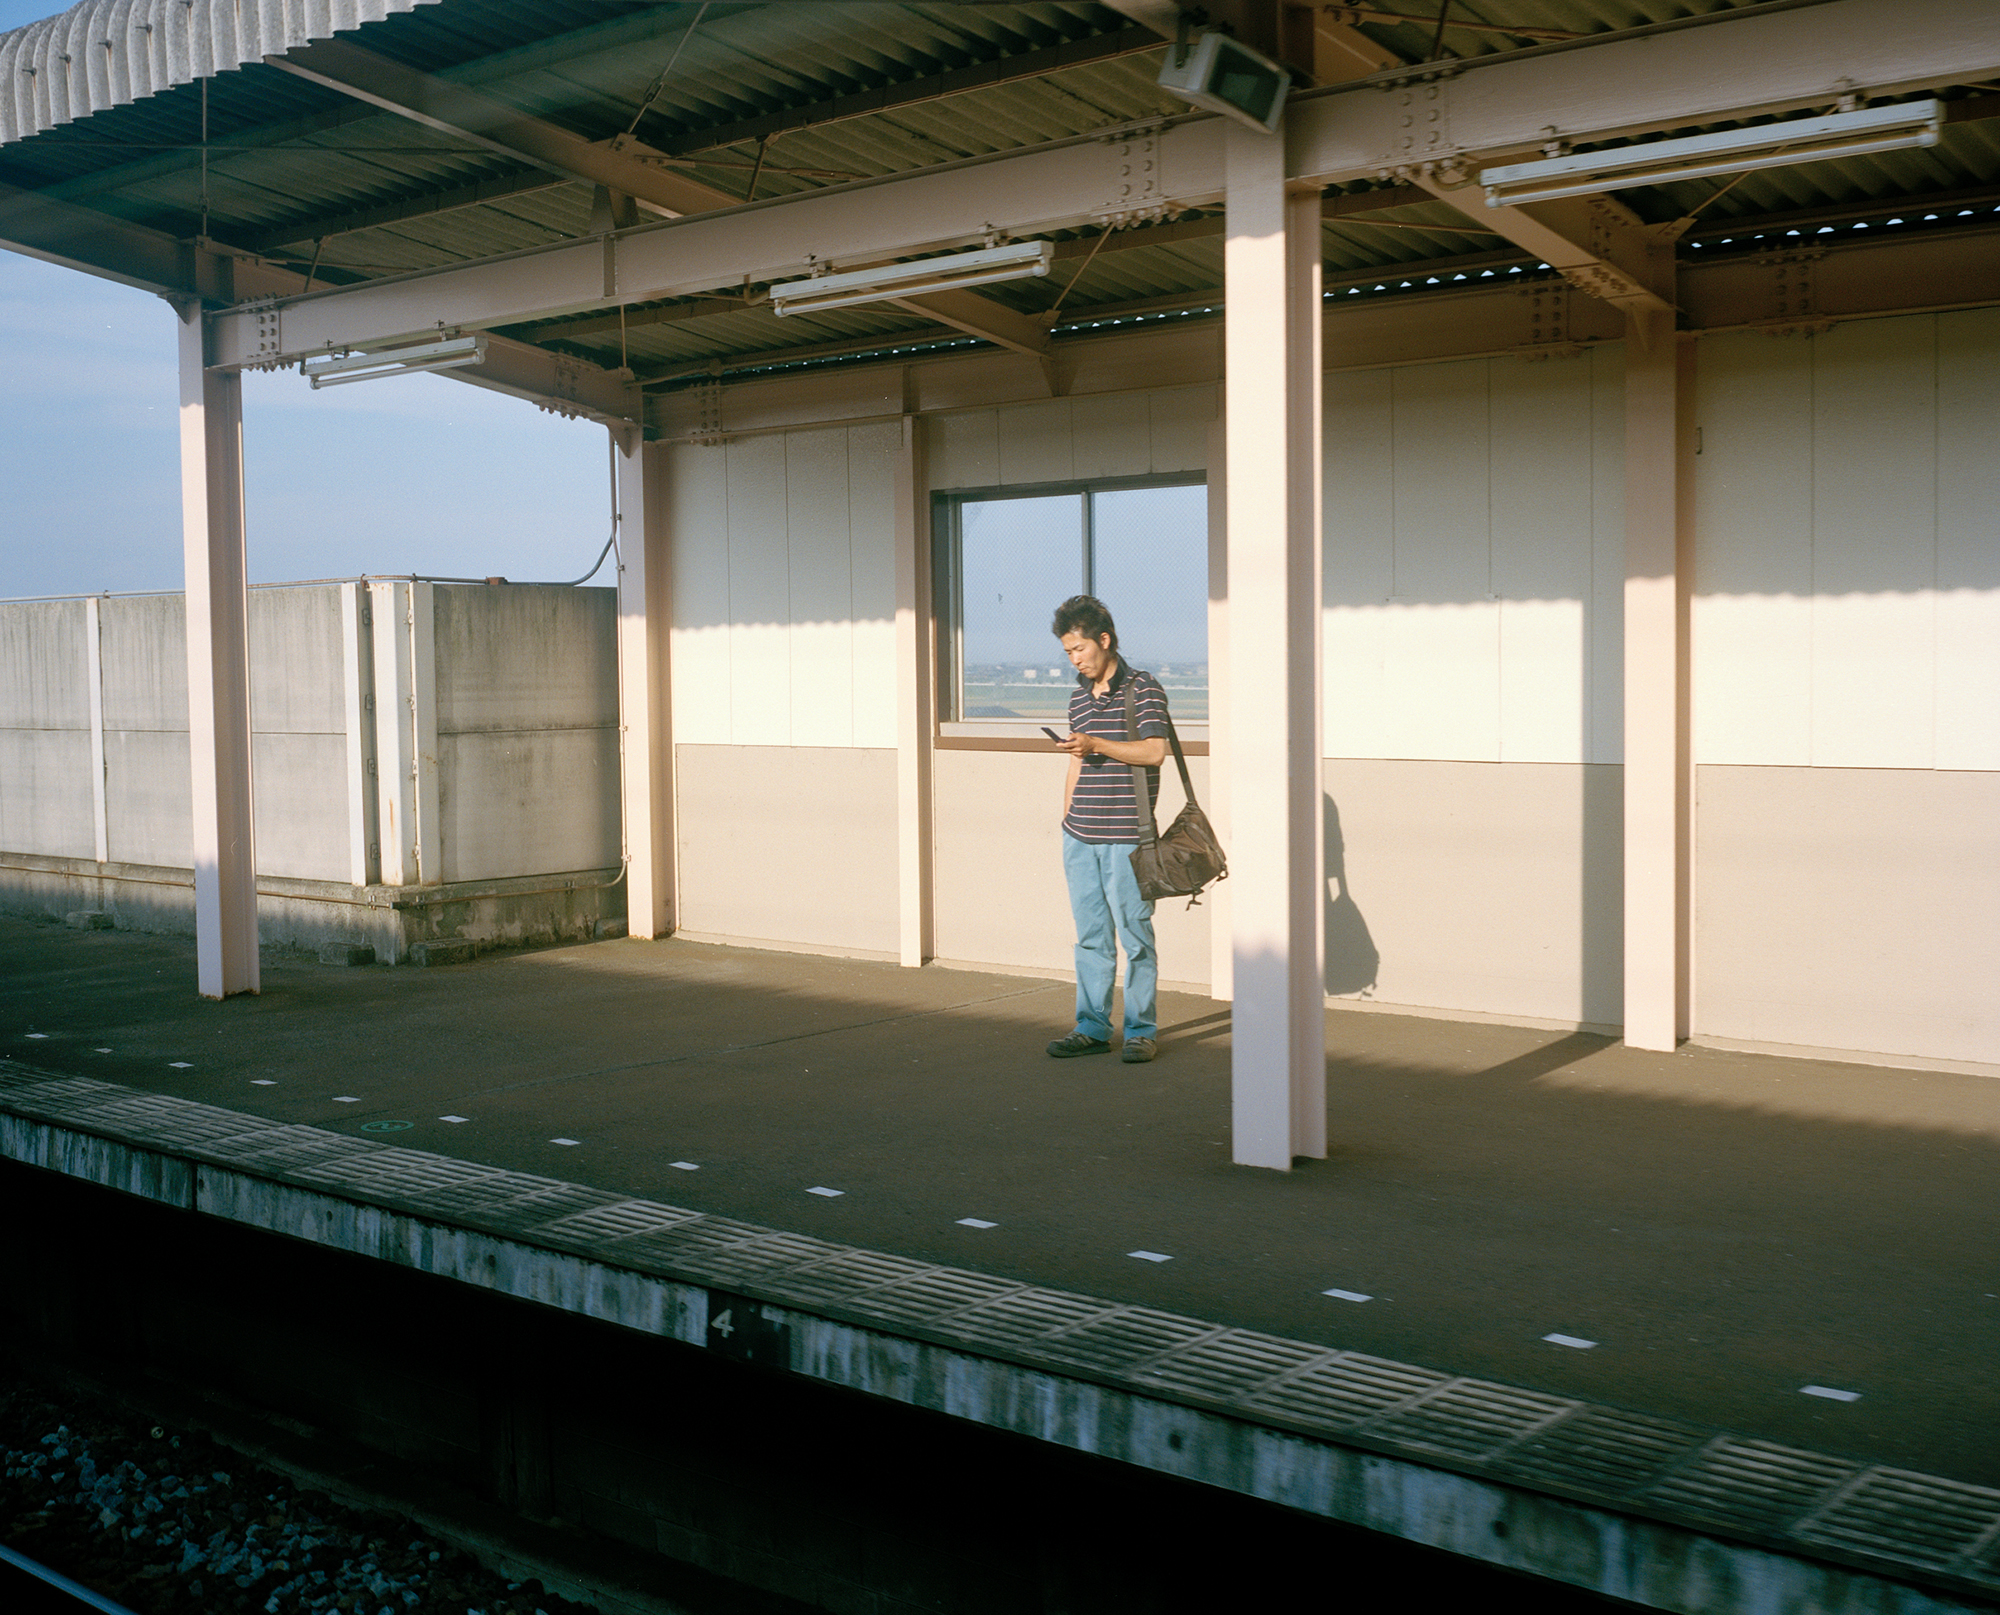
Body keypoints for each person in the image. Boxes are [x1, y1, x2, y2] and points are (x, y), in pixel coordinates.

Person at [1045, 595, 1170, 1064]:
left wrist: (1097, 742)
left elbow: (1154, 752)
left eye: (1079, 649)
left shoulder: (1143, 689)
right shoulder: (1079, 696)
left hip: (1128, 838)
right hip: (1080, 836)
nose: (1075, 659)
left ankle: (1141, 1031)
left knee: (1135, 937)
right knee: (1091, 936)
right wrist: (1067, 820)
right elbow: (1076, 765)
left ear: (1104, 639)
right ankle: (1092, 1027)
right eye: (1067, 652)